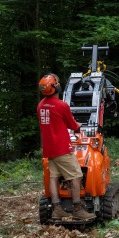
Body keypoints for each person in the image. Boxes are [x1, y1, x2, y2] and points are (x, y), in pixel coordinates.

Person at [37, 73, 93, 222]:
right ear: (56, 87)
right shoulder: (62, 105)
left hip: (49, 149)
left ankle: (57, 210)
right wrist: (78, 125)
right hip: (62, 148)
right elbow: (72, 125)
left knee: (54, 177)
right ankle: (77, 209)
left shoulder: (41, 105)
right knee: (76, 176)